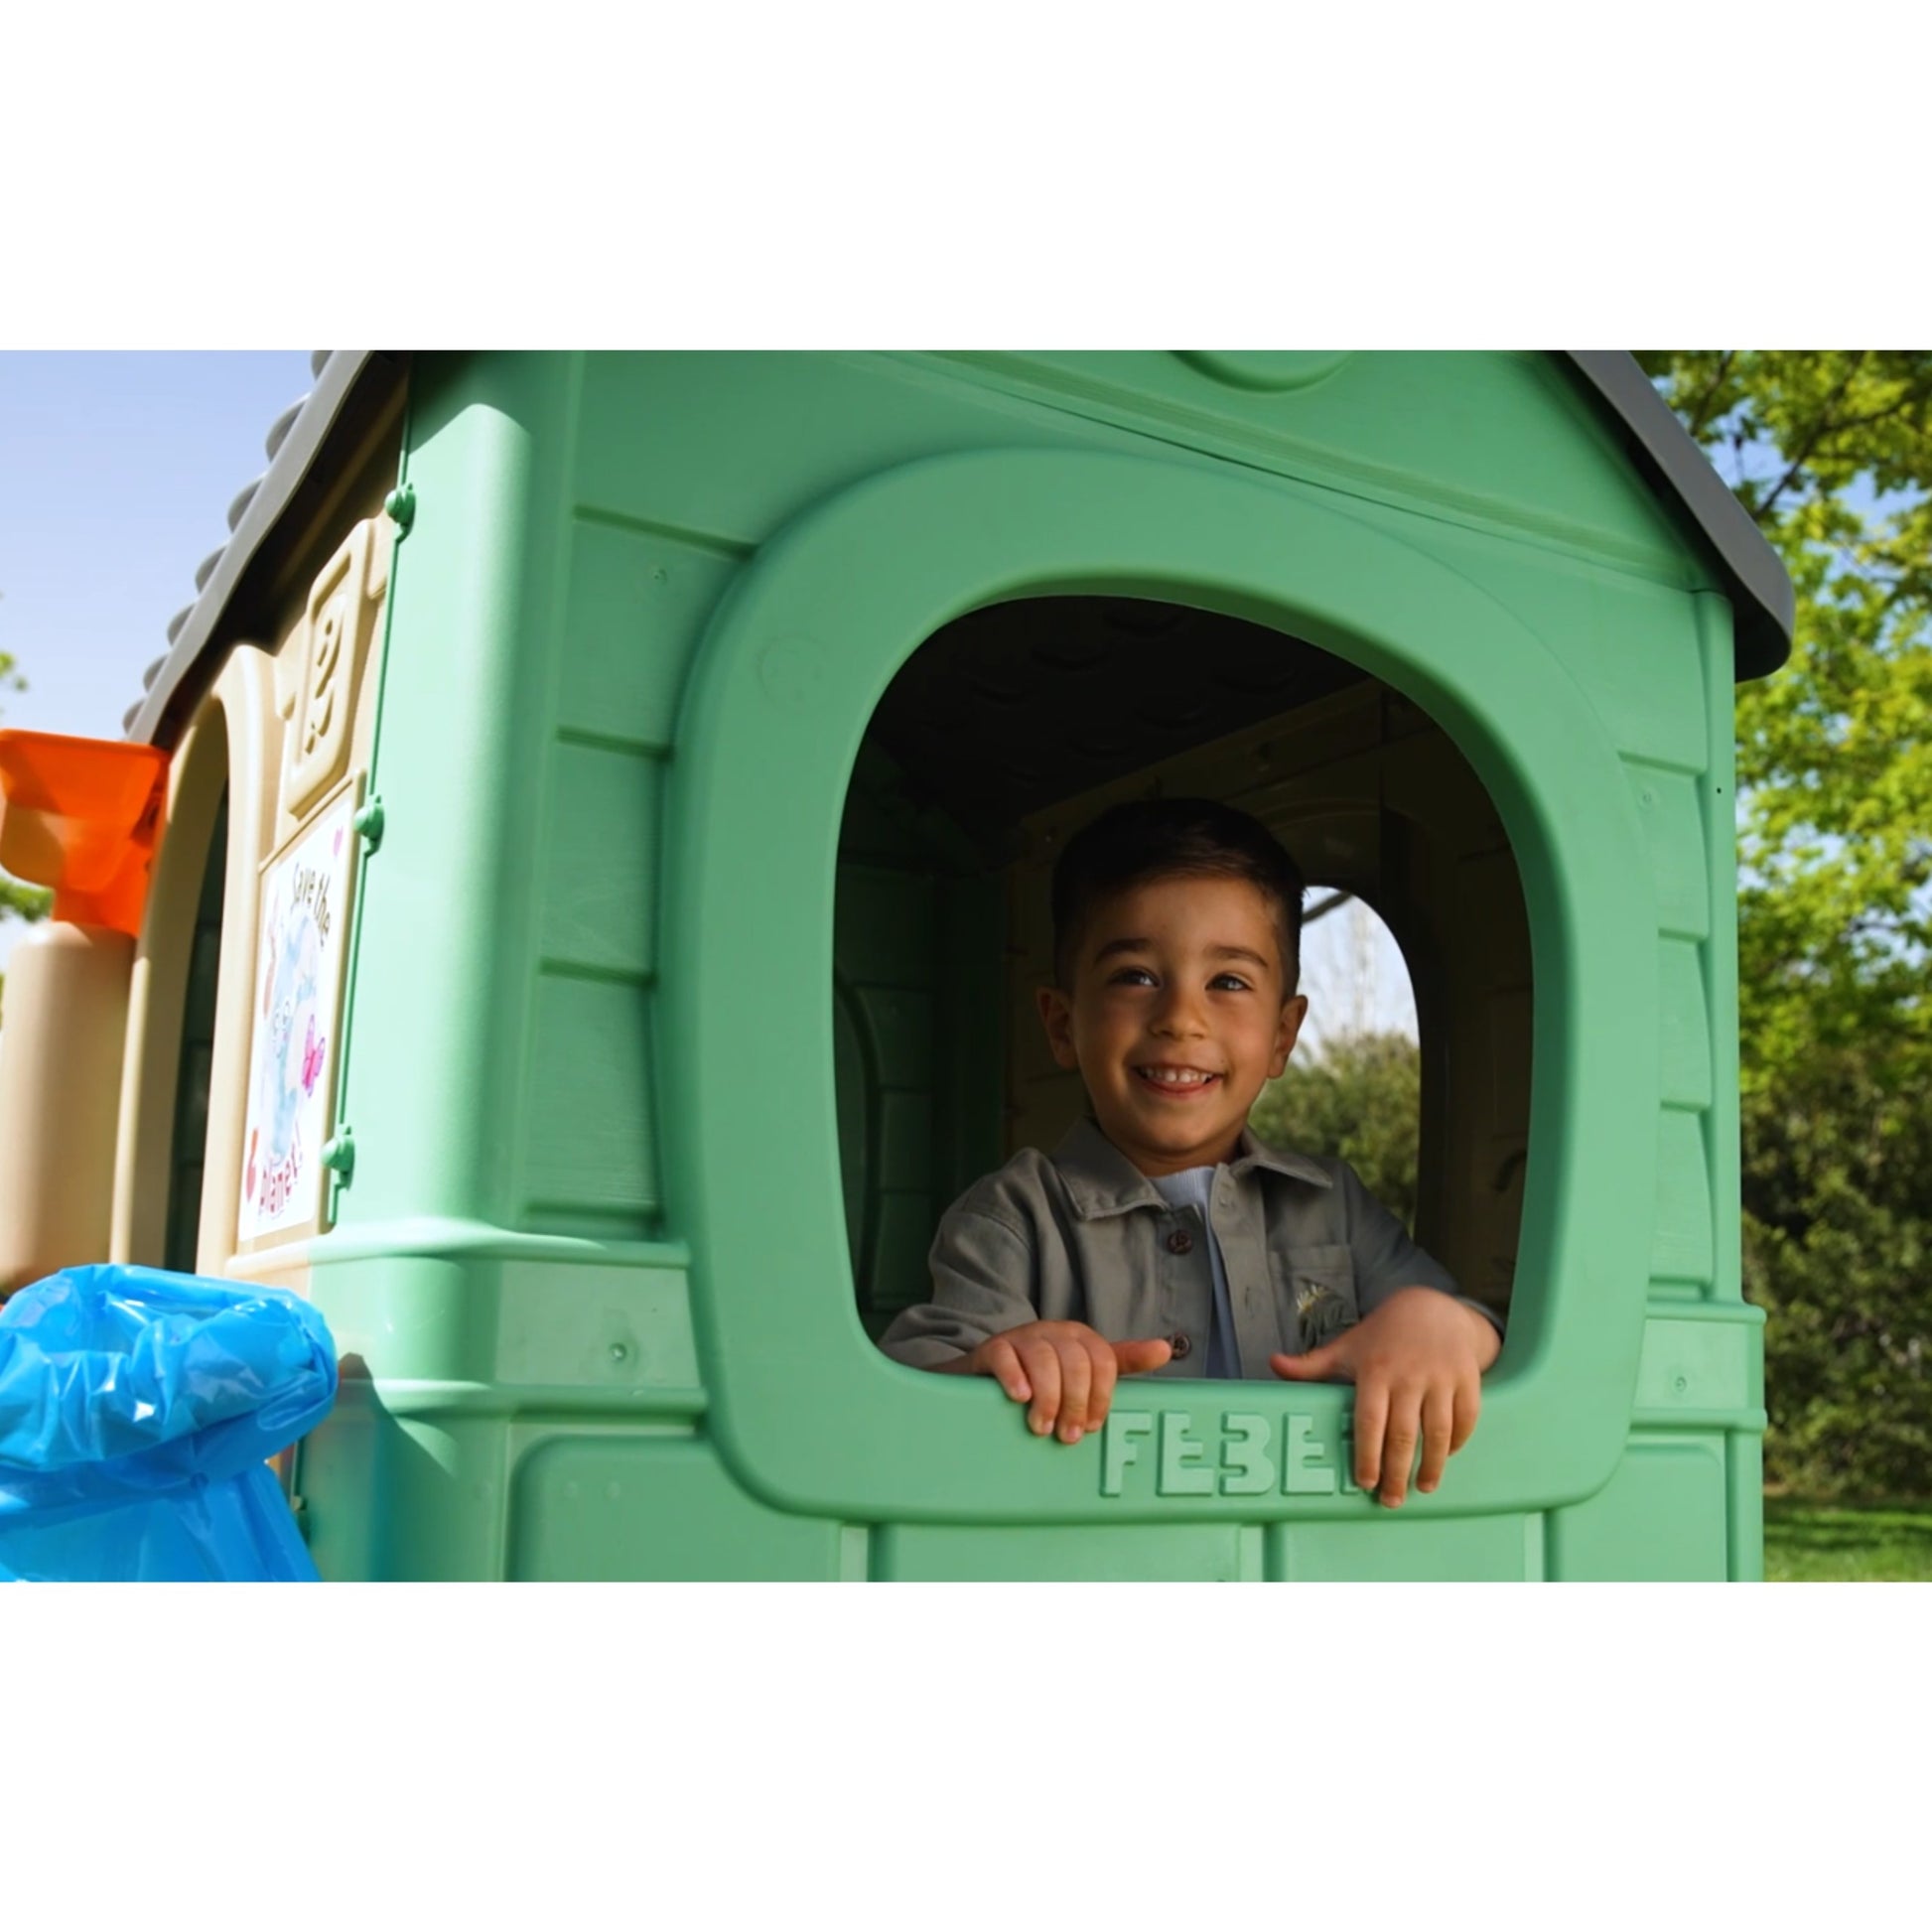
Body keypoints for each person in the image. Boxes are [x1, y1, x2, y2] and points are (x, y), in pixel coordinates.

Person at [879, 797, 1502, 1507]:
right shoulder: (1013, 1218)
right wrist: (999, 1365)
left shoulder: (1332, 1204)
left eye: (1229, 982)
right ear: (1061, 1022)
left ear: (1281, 1034)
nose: (1181, 1019)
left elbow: (1472, 1342)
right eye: (1136, 976)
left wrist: (1445, 1323)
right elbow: (906, 1396)